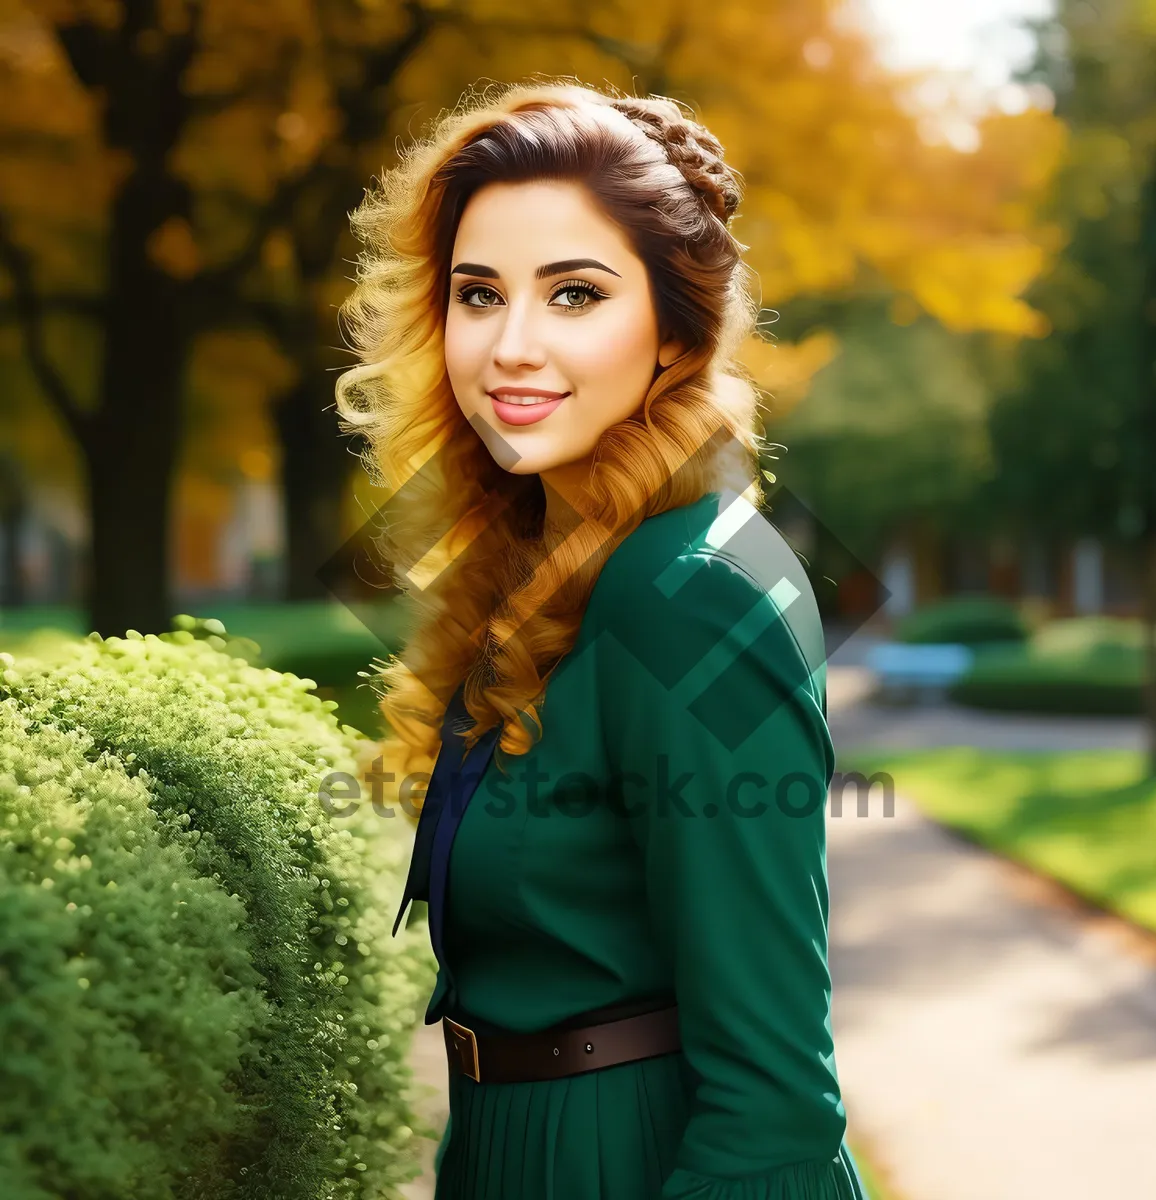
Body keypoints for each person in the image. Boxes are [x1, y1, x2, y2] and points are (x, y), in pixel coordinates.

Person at [335, 78, 867, 1200]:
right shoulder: (548, 568)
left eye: (574, 294)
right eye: (478, 294)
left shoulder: (692, 594)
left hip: (633, 1161)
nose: (510, 346)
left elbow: (776, 1101)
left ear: (678, 332)